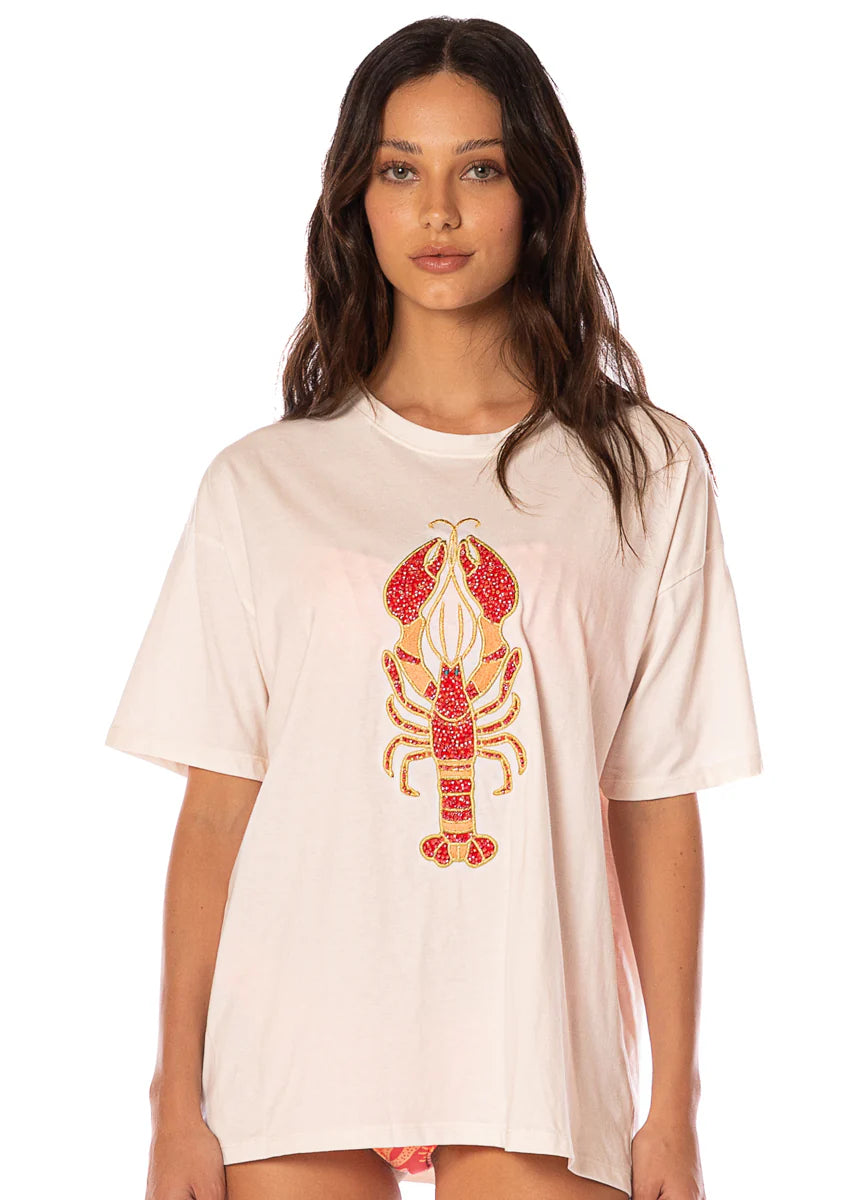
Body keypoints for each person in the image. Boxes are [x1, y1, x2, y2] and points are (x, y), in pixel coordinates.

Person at [104, 17, 763, 1200]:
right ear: (356, 200)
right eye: (400, 171)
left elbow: (654, 795)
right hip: (291, 1032)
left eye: (481, 169)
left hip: (532, 1030)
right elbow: (218, 808)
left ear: (537, 194)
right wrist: (174, 1105)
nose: (439, 212)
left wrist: (671, 1104)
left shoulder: (645, 468)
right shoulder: (261, 482)